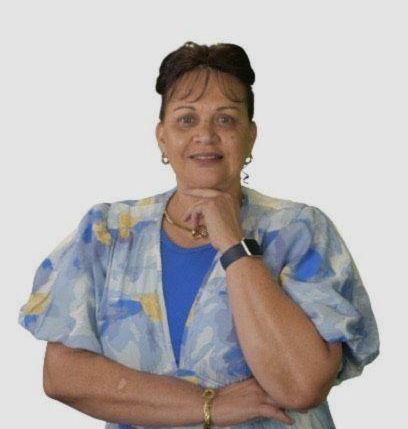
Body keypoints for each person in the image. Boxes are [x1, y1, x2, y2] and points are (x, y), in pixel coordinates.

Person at [18, 41, 380, 429]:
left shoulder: (299, 230)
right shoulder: (108, 233)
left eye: (225, 119)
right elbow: (63, 377)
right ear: (162, 137)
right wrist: (211, 404)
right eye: (186, 119)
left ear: (251, 136)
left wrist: (234, 246)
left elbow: (301, 386)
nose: (205, 134)